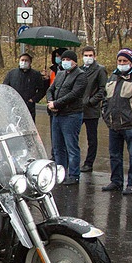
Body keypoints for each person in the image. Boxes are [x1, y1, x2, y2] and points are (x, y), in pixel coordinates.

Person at [100, 48, 132, 196]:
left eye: (125, 61)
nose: (122, 63)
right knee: (114, 155)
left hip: (131, 125)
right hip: (114, 124)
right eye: (119, 61)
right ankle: (116, 181)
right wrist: (105, 113)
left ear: (131, 62)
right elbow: (105, 98)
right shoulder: (113, 77)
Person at [46, 49, 87, 185]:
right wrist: (51, 102)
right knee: (57, 147)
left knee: (71, 146)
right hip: (57, 114)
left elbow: (74, 94)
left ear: (74, 61)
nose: (64, 62)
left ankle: (74, 175)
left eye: (67, 60)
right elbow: (50, 89)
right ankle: (60, 172)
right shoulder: (61, 74)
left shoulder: (80, 75)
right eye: (63, 60)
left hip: (71, 115)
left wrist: (57, 103)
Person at [78, 45, 107, 173]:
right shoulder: (79, 69)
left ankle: (89, 163)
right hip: (77, 108)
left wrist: (91, 101)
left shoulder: (100, 70)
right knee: (72, 136)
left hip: (91, 109)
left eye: (90, 55)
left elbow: (103, 89)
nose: (88, 58)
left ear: (95, 56)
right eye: (86, 55)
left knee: (92, 138)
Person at [1, 52, 48, 120]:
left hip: (29, 107)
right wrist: (10, 100)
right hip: (13, 106)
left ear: (30, 62)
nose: (24, 62)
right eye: (22, 60)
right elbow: (5, 88)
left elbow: (42, 90)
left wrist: (33, 99)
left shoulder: (35, 74)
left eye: (26, 60)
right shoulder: (12, 73)